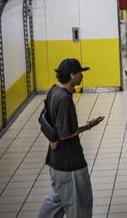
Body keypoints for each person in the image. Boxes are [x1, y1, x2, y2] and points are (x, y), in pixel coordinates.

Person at [38, 58, 104, 218]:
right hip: (70, 164)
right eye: (80, 73)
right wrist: (88, 126)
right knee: (79, 204)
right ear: (72, 75)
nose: (82, 76)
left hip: (56, 162)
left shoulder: (54, 91)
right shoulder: (64, 99)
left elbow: (45, 119)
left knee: (57, 201)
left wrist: (52, 139)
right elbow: (65, 133)